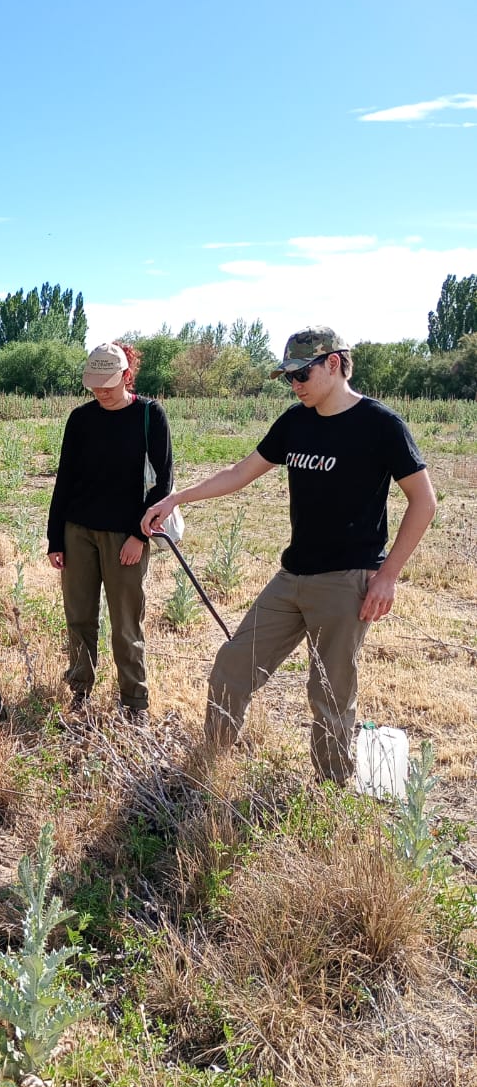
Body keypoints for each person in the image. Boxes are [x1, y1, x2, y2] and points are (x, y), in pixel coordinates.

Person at [141, 326, 437, 784]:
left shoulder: (380, 425)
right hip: (292, 575)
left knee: (331, 692)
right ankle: (206, 769)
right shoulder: (295, 422)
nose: (295, 385)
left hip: (347, 580)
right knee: (233, 665)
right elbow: (242, 472)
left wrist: (387, 576)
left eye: (302, 374)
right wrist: (178, 499)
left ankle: (332, 789)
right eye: (288, 378)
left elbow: (424, 501)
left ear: (334, 363)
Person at [47, 341, 174, 719]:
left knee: (125, 622)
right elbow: (64, 480)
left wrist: (140, 535)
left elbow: (163, 484)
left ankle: (134, 703)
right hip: (78, 532)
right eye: (94, 384)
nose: (101, 390)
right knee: (80, 618)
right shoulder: (81, 419)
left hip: (127, 537)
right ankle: (80, 691)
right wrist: (57, 538)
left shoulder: (151, 416)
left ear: (127, 376)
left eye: (108, 382)